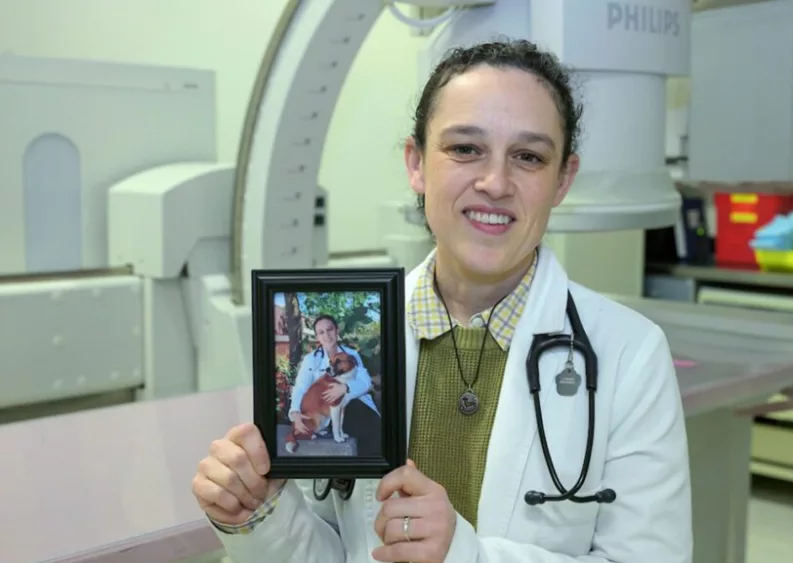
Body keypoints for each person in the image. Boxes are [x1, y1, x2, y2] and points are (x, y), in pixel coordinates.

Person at [191, 38, 692, 563]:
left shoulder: (630, 354)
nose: (495, 182)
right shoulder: (366, 337)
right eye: (465, 148)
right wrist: (261, 515)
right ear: (417, 163)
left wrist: (466, 556)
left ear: (562, 179)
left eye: (528, 156)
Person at [286, 314, 382, 457]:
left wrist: (346, 388)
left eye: (330, 329)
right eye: (321, 332)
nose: (327, 335)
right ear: (317, 336)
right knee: (362, 426)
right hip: (325, 413)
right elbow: (300, 388)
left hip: (353, 405)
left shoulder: (351, 354)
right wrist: (295, 413)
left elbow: (366, 383)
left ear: (337, 331)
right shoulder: (311, 359)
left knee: (371, 423)